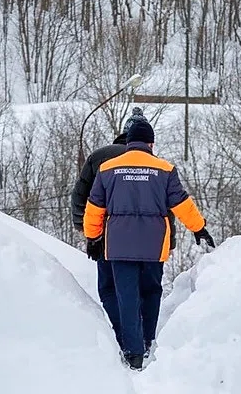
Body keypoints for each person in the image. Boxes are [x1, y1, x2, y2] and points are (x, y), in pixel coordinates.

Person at [83, 119, 215, 370]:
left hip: (119, 245)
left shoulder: (108, 168)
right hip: (154, 246)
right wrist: (199, 228)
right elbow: (182, 204)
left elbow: (94, 208)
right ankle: (147, 340)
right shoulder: (164, 169)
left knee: (126, 296)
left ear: (129, 142)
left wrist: (93, 237)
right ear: (151, 143)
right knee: (152, 291)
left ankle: (132, 351)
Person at [70, 107, 177, 353]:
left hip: (107, 238)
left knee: (111, 289)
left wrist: (88, 233)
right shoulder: (156, 164)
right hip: (150, 241)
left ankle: (125, 338)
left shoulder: (99, 157)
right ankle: (144, 339)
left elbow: (81, 197)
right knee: (148, 289)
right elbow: (167, 207)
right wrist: (168, 239)